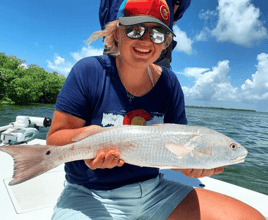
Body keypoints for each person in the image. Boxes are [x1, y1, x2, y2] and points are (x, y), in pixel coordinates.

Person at [48, 0, 265, 219]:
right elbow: (54, 140)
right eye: (135, 29)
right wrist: (91, 143)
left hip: (154, 192)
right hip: (88, 193)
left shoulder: (169, 83)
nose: (146, 40)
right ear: (116, 34)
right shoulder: (88, 71)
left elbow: (177, 154)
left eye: (157, 33)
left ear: (165, 43)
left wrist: (192, 166)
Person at [99, 0, 191, 69]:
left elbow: (105, 7)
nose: (145, 40)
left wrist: (108, 32)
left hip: (115, 36)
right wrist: (173, 16)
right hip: (158, 37)